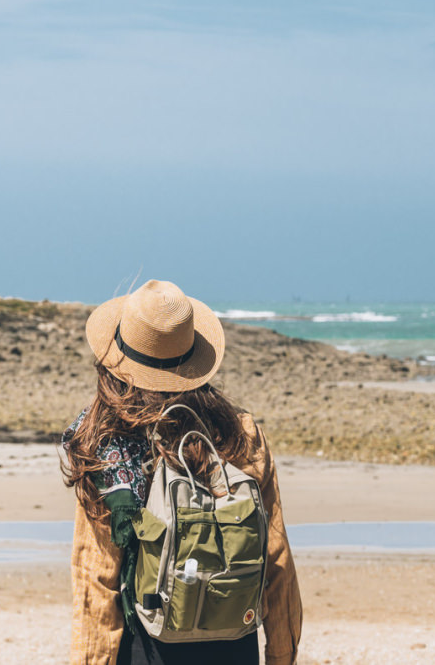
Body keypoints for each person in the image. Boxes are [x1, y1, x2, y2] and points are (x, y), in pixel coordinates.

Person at [61, 280, 302, 665]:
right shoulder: (240, 434)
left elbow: (97, 576)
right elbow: (276, 556)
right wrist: (281, 654)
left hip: (147, 642)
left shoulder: (107, 447)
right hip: (234, 638)